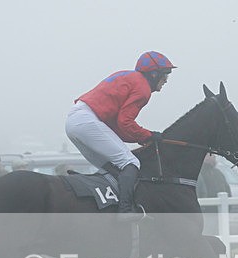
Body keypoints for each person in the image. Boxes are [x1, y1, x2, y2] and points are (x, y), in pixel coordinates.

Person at [65, 51, 175, 221]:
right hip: (86, 121)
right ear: (153, 74)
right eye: (165, 75)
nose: (166, 80)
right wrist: (149, 136)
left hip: (74, 122)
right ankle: (125, 210)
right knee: (131, 162)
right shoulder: (143, 89)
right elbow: (125, 123)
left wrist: (144, 137)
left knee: (110, 168)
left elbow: (118, 127)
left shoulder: (128, 76)